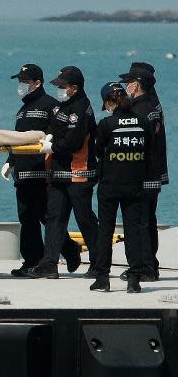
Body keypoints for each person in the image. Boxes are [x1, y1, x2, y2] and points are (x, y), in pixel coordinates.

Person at [3, 64, 82, 277]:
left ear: (37, 83)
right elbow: (19, 140)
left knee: (46, 216)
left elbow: (57, 135)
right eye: (20, 81)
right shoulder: (22, 110)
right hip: (23, 171)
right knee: (26, 217)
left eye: (25, 82)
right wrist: (11, 161)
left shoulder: (51, 106)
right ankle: (31, 260)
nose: (21, 86)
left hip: (43, 171)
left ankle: (69, 248)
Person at [28, 66, 99, 279]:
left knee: (84, 218)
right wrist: (47, 137)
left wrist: (53, 147)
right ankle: (49, 263)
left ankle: (98, 262)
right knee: (54, 218)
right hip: (59, 172)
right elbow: (53, 128)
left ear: (74, 88)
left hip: (78, 172)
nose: (59, 89)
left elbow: (75, 141)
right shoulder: (62, 107)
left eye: (62, 86)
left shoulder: (81, 108)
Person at [89, 82, 156, 293]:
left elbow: (98, 151)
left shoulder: (107, 124)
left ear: (109, 101)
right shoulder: (143, 122)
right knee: (133, 230)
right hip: (135, 184)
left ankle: (102, 278)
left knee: (105, 231)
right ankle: (134, 279)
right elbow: (150, 151)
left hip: (109, 184)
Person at [119, 64, 164, 281]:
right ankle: (150, 265)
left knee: (141, 222)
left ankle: (145, 268)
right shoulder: (153, 105)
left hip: (141, 175)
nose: (126, 86)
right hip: (152, 173)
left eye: (128, 82)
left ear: (136, 85)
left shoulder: (140, 110)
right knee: (148, 220)